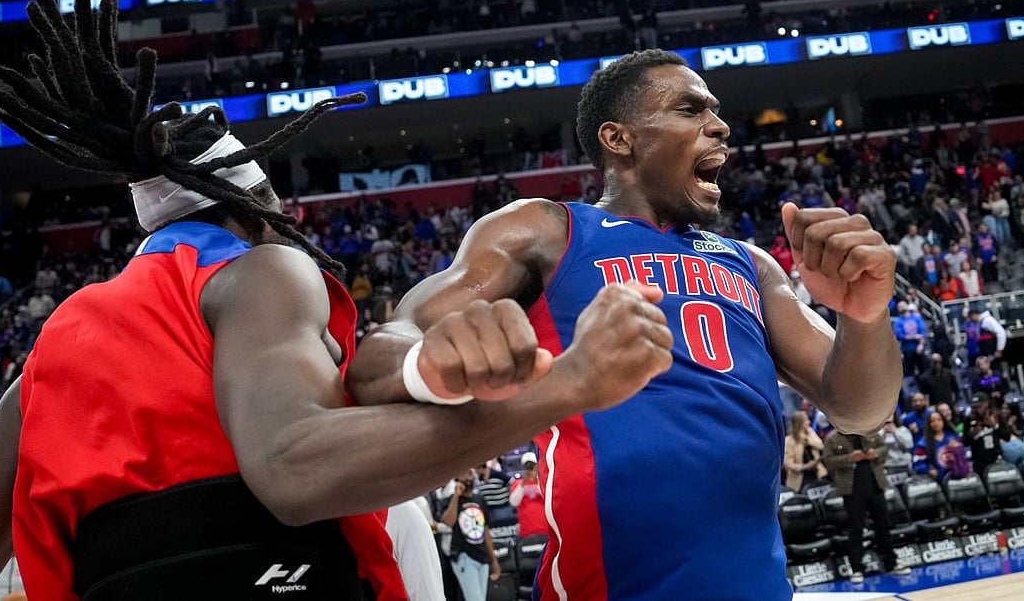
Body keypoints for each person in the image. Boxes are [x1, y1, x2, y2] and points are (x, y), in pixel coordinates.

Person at [0, 0, 674, 601]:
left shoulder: (45, 362)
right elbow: (293, 469)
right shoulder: (260, 270)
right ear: (254, 211)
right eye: (282, 213)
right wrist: (564, 386)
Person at [346, 49, 903, 600]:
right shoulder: (547, 230)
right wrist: (432, 362)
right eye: (690, 110)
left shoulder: (751, 264)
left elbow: (861, 408)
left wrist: (864, 314)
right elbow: (385, 349)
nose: (721, 126)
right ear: (619, 138)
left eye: (715, 110)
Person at [821, 429, 911, 584]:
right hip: (852, 489)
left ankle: (891, 563)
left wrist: (875, 453)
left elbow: (884, 448)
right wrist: (850, 458)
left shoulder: (870, 432)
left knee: (883, 525)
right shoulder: (833, 438)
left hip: (875, 485)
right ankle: (856, 568)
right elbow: (828, 461)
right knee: (856, 529)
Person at [442, 470, 501, 601]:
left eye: (469, 474)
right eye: (463, 473)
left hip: (482, 556)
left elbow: (485, 531)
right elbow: (448, 521)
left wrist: (494, 560)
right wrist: (456, 496)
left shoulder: (480, 500)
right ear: (456, 478)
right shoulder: (451, 500)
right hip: (464, 556)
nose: (467, 478)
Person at [912, 411, 964, 480]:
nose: (936, 423)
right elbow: (917, 463)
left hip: (959, 476)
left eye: (939, 420)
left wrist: (957, 449)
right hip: (938, 479)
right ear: (929, 424)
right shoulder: (923, 442)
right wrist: (928, 470)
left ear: (943, 421)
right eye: (932, 421)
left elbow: (964, 455)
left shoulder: (954, 437)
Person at [784, 410, 826, 491]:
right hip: (800, 478)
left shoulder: (810, 433)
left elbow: (820, 445)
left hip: (817, 473)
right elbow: (788, 463)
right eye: (806, 420)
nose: (809, 422)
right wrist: (805, 466)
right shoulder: (789, 441)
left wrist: (807, 440)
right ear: (799, 423)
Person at [509, 451, 546, 538]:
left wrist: (537, 480)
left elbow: (549, 498)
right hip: (526, 531)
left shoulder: (543, 482)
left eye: (532, 466)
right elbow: (514, 502)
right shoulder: (517, 484)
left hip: (545, 529)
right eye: (527, 467)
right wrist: (523, 483)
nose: (529, 469)